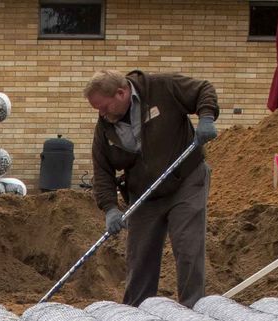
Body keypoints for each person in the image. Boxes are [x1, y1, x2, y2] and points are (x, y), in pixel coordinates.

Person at [86, 70, 219, 307]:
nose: (101, 114)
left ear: (121, 93)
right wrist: (109, 208)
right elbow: (102, 170)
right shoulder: (105, 127)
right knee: (140, 256)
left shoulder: (160, 87)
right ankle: (137, 311)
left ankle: (193, 308)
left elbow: (203, 89)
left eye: (104, 107)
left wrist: (206, 117)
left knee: (187, 248)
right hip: (144, 193)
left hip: (185, 179)